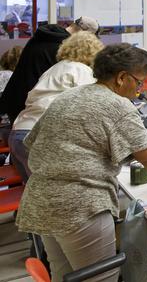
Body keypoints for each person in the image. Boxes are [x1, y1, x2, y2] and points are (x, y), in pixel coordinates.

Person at [16, 44, 147, 282]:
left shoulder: (68, 96)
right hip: (80, 207)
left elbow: (34, 144)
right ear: (122, 77)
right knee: (101, 276)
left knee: (64, 274)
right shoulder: (117, 104)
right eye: (138, 83)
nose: (139, 90)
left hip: (41, 200)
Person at [9, 32, 103, 180]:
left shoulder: (54, 69)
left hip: (18, 133)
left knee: (34, 195)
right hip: (39, 136)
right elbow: (92, 106)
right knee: (53, 196)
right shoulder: (82, 70)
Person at [0, 16, 99, 122]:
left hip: (16, 99)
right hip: (34, 107)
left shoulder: (40, 36)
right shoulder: (65, 48)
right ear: (84, 33)